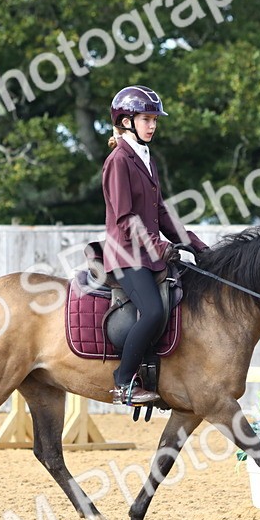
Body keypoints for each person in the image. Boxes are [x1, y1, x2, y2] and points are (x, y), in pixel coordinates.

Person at [102, 85, 209, 406]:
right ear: (126, 120)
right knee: (152, 312)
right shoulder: (118, 161)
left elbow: (160, 211)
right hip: (126, 255)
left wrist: (196, 245)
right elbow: (124, 218)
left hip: (147, 255)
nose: (152, 126)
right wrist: (158, 246)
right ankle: (123, 382)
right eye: (147, 119)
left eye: (154, 120)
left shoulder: (145, 158)